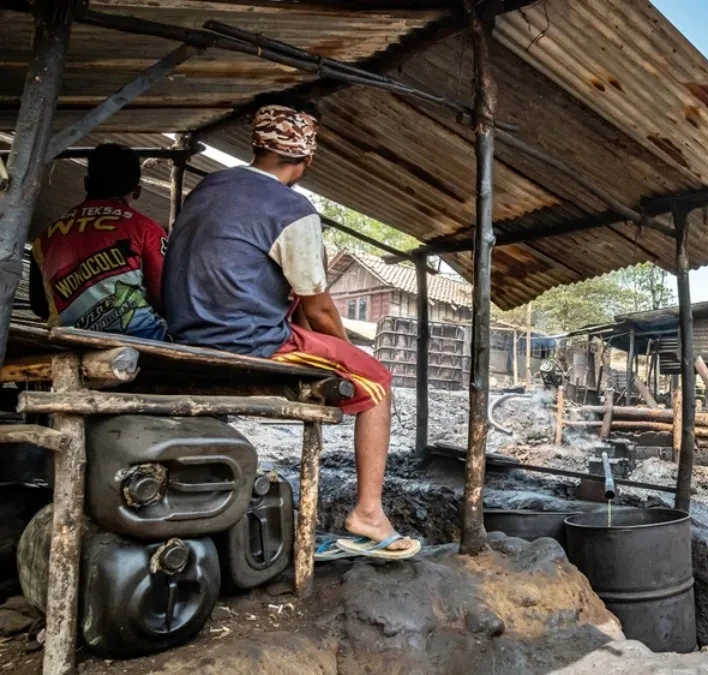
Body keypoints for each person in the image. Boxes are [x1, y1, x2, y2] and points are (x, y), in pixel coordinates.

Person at [163, 102, 417, 559]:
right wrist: (347, 353)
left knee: (301, 310)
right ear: (307, 160)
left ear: (257, 145)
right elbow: (319, 312)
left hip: (183, 331)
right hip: (244, 340)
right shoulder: (292, 209)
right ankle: (369, 513)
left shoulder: (207, 188)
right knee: (377, 381)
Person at [30, 143, 168, 340]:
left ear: (86, 183)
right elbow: (162, 296)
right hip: (141, 341)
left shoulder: (46, 237)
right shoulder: (146, 229)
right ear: (137, 191)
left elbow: (40, 306)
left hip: (67, 340)